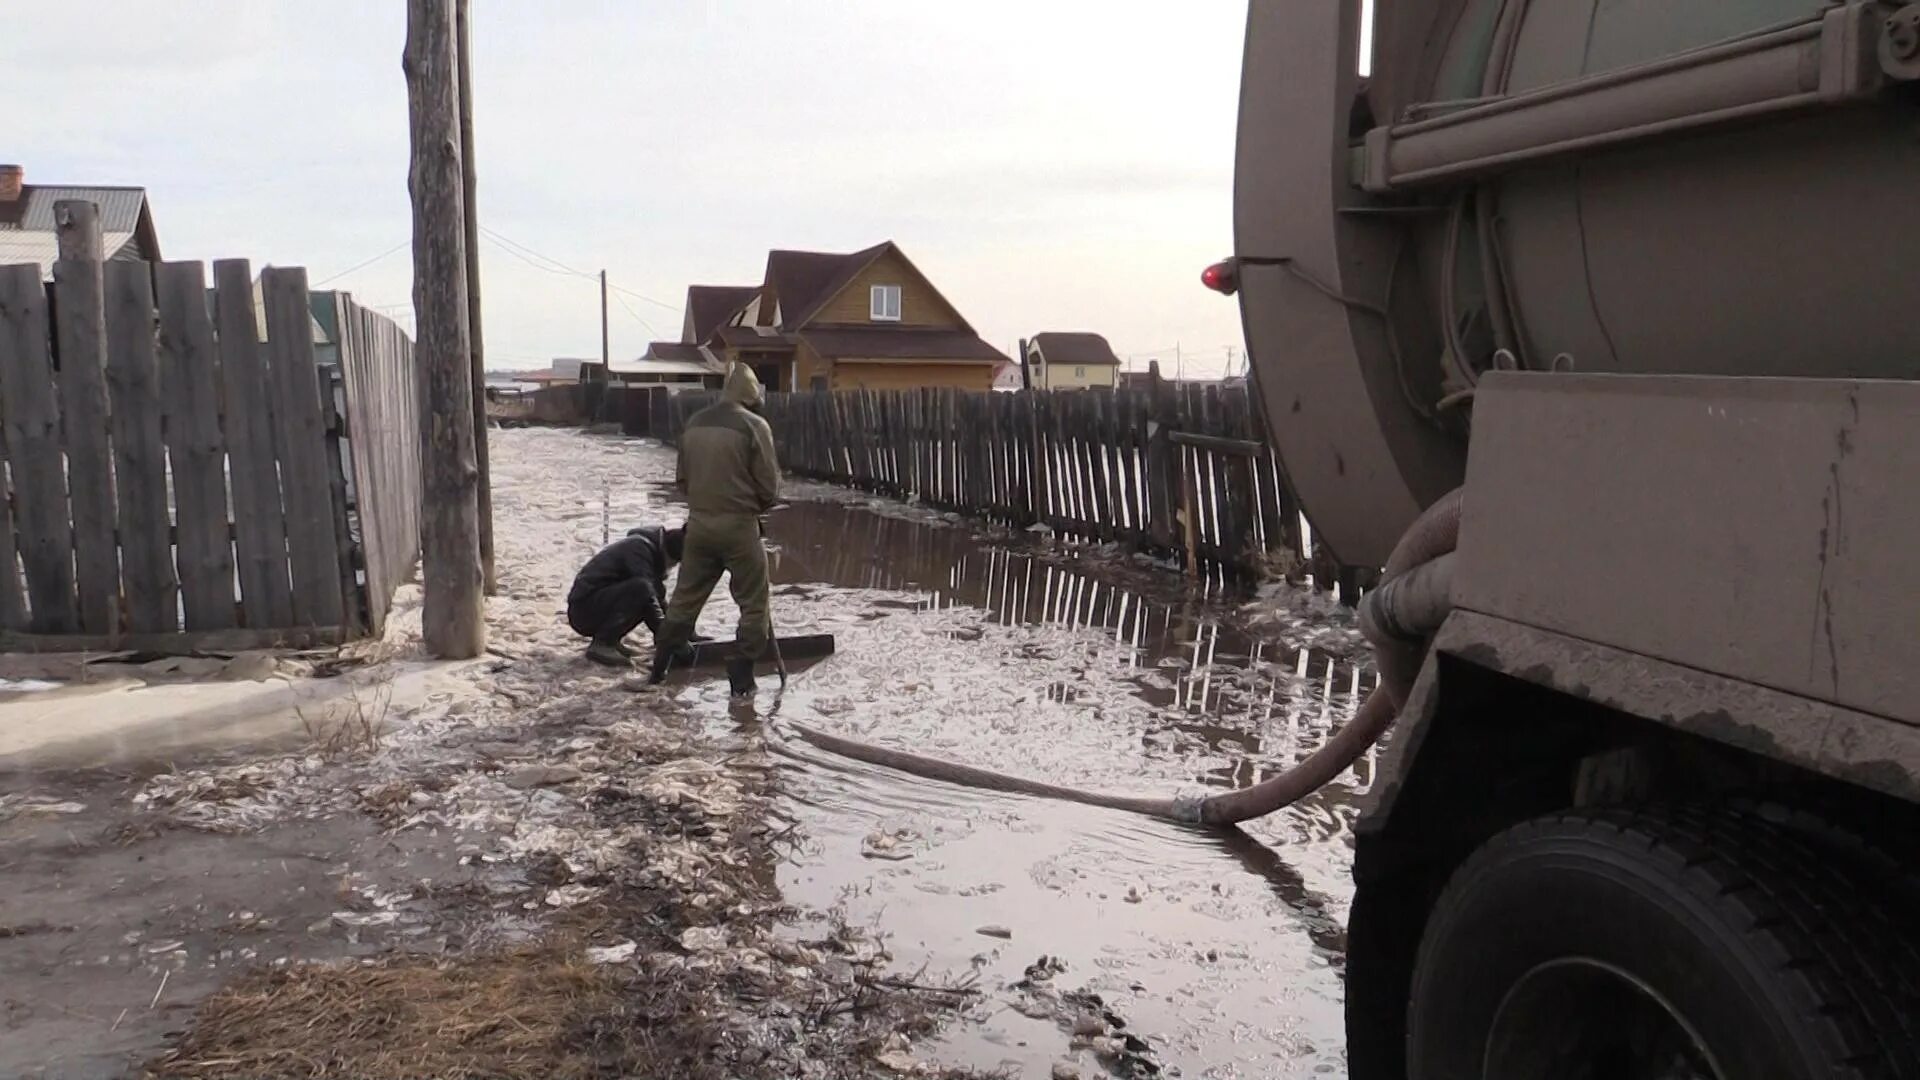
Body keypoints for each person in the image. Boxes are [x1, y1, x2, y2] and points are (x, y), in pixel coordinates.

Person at [651, 363, 779, 696]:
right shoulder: (755, 425)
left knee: (684, 599)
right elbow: (770, 487)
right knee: (754, 602)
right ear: (751, 395)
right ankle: (742, 672)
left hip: (699, 526)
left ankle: (658, 669)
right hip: (739, 526)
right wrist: (753, 509)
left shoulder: (694, 423)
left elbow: (681, 480)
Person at [567, 525, 687, 667]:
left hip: (597, 603)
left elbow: (658, 599)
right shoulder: (638, 549)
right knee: (642, 589)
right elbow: (647, 596)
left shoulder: (649, 550)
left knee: (651, 591)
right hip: (583, 610)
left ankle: (611, 640)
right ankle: (603, 643)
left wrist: (682, 634)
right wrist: (666, 637)